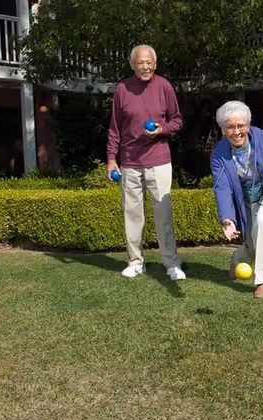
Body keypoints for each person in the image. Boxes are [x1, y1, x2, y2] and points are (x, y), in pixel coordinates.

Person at [107, 44, 186, 280]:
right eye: (141, 62)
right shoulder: (122, 89)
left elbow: (177, 121)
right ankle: (136, 262)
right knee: (132, 215)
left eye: (149, 62)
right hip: (130, 162)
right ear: (132, 65)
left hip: (159, 160)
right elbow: (114, 128)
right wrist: (112, 159)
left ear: (155, 64)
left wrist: (163, 130)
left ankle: (171, 263)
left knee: (163, 214)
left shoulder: (164, 86)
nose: (145, 66)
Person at [210, 101, 263, 298]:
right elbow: (222, 187)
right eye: (230, 126)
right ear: (222, 129)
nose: (236, 131)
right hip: (244, 198)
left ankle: (262, 280)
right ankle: (237, 258)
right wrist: (227, 219)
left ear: (248, 124)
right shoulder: (219, 154)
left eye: (240, 125)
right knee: (253, 244)